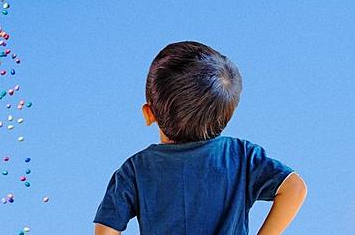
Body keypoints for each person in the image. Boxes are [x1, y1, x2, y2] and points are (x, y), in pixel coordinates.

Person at [94, 41, 306, 235]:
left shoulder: (135, 170)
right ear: (226, 115)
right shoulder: (240, 156)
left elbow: (106, 231)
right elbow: (294, 188)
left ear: (149, 114)